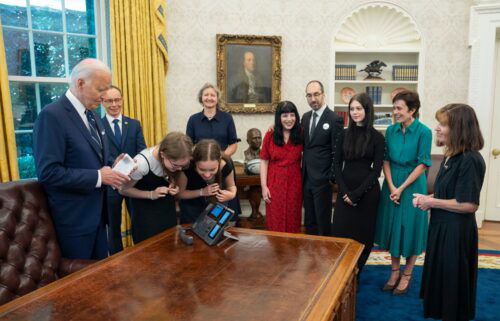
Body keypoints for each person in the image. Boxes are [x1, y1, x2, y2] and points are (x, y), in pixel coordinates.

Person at [33, 58, 130, 260]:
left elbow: (91, 159)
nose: (104, 97)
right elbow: (49, 173)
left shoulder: (93, 115)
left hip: (99, 216)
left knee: (99, 279)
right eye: (100, 90)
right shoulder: (52, 116)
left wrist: (112, 166)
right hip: (74, 221)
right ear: (80, 83)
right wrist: (98, 176)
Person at [413, 104, 485, 321]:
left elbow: (468, 205)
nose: (437, 128)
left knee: (452, 285)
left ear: (459, 129)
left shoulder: (470, 160)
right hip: (441, 227)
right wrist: (428, 199)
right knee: (442, 282)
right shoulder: (450, 157)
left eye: (443, 124)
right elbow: (447, 192)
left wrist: (432, 203)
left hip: (456, 232)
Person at [374, 90, 432, 295]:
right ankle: (394, 271)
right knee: (393, 228)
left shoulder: (424, 132)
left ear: (412, 110)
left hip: (413, 185)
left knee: (410, 228)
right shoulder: (390, 131)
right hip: (391, 184)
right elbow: (386, 159)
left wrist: (401, 188)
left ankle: (407, 273)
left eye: (399, 108)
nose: (395, 112)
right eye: (394, 108)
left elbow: (424, 163)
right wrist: (390, 185)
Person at [331, 93, 384, 275]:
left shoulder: (377, 137)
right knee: (339, 234)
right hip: (345, 192)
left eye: (358, 108)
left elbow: (376, 170)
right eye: (352, 109)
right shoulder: (343, 134)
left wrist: (357, 194)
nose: (354, 112)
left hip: (367, 194)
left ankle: (356, 274)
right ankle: (342, 274)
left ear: (367, 110)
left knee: (363, 238)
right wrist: (345, 192)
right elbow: (336, 165)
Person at [119, 132, 193, 244]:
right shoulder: (142, 163)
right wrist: (151, 194)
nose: (179, 169)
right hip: (145, 215)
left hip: (167, 210)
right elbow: (123, 190)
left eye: (182, 166)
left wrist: (175, 185)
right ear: (163, 155)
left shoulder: (175, 160)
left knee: (170, 244)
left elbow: (173, 176)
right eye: (175, 165)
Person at [101, 85, 146, 254]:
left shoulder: (134, 124)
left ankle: (140, 253)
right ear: (102, 102)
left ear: (122, 100)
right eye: (109, 101)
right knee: (113, 225)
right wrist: (116, 166)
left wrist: (134, 165)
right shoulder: (98, 125)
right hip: (111, 184)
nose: (114, 104)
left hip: (132, 182)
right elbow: (98, 154)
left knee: (137, 220)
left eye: (117, 100)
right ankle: (116, 258)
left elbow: (142, 150)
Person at [186, 83, 241, 217]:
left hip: (222, 165)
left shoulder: (227, 118)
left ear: (217, 98)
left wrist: (219, 159)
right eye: (206, 95)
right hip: (200, 168)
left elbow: (233, 144)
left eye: (212, 95)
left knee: (223, 206)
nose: (209, 98)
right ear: (201, 98)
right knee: (200, 208)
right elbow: (188, 145)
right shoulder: (193, 119)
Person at [302, 80, 344, 236]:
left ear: (323, 94)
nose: (313, 99)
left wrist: (331, 178)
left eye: (316, 94)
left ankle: (325, 257)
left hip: (323, 180)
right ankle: (311, 256)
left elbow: (337, 152)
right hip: (306, 178)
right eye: (309, 95)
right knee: (309, 221)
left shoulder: (334, 119)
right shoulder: (305, 118)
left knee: (323, 222)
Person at [260, 101, 303, 233]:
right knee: (275, 221)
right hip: (274, 183)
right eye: (284, 116)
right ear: (279, 117)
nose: (289, 119)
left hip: (294, 183)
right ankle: (275, 252)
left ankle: (292, 251)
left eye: (292, 115)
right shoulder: (270, 134)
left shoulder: (302, 132)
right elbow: (264, 161)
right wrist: (264, 186)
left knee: (293, 219)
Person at [178, 139, 237, 223]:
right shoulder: (187, 167)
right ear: (195, 161)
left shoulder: (226, 165)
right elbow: (180, 194)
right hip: (191, 210)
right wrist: (202, 192)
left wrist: (231, 194)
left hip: (217, 208)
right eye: (202, 169)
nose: (207, 175)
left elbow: (231, 186)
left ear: (219, 160)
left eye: (212, 169)